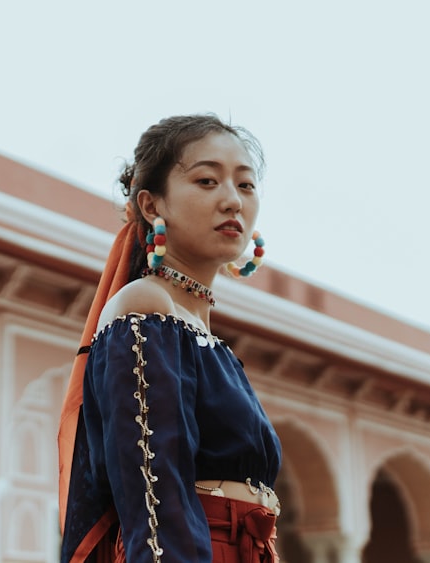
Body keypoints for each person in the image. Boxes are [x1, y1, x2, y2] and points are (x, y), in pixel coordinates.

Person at [58, 115, 282, 562]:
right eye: (206, 181)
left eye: (245, 185)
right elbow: (157, 503)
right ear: (151, 205)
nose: (232, 200)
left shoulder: (207, 341)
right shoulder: (145, 308)